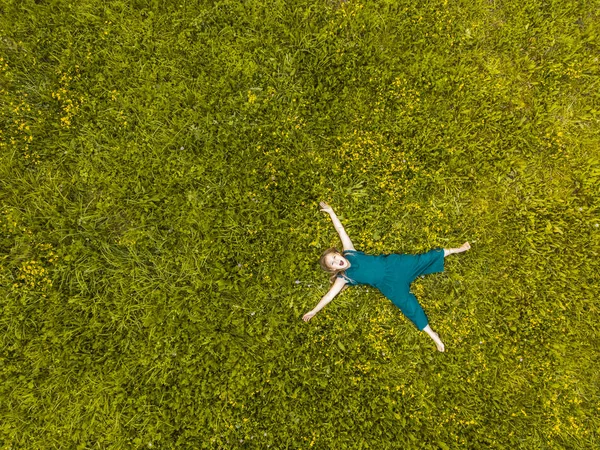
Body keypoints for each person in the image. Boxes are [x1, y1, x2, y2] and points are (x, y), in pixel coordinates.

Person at [302, 201, 471, 352]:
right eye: (332, 263)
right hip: (389, 285)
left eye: (334, 257)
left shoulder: (350, 251)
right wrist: (313, 310)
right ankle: (432, 335)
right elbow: (328, 297)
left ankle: (455, 249)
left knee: (423, 259)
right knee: (408, 306)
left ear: (339, 253)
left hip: (395, 265)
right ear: (334, 270)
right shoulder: (344, 277)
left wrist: (331, 212)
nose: (336, 261)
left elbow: (341, 231)